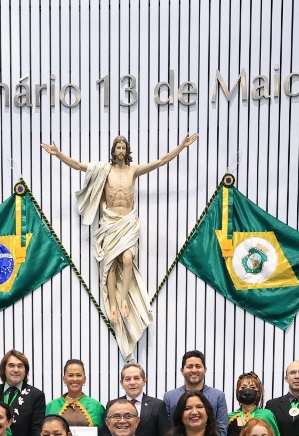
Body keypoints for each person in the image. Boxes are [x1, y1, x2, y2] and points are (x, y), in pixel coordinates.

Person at [42, 131, 197, 352]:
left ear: (128, 151)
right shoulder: (104, 171)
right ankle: (113, 304)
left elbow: (161, 162)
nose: (121, 151)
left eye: (124, 148)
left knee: (127, 259)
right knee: (110, 264)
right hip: (109, 221)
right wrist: (57, 154)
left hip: (128, 222)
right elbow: (77, 165)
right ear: (113, 151)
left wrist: (181, 147)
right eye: (118, 148)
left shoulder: (133, 171)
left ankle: (124, 300)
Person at [0, 349, 45, 436]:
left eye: (20, 366)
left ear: (25, 371)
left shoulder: (36, 395)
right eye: (11, 365)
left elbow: (37, 431)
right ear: (3, 369)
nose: (16, 370)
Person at [45, 359, 105, 436]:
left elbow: (104, 435)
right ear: (64, 379)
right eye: (70, 375)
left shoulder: (96, 406)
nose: (75, 379)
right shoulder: (52, 406)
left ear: (84, 379)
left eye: (79, 375)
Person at [162, 349, 227, 419]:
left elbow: (221, 427)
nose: (194, 370)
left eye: (198, 366)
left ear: (205, 370)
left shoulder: (218, 396)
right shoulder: (169, 397)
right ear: (182, 370)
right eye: (189, 367)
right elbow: (166, 427)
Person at [120, 362, 170, 436]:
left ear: (144, 381)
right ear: (122, 383)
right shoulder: (113, 405)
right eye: (128, 379)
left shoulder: (158, 405)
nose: (132, 383)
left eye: (136, 378)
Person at [224, 372, 280, 436]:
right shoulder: (230, 418)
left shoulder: (267, 415)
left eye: (252, 387)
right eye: (244, 387)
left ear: (258, 392)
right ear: (238, 392)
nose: (247, 391)